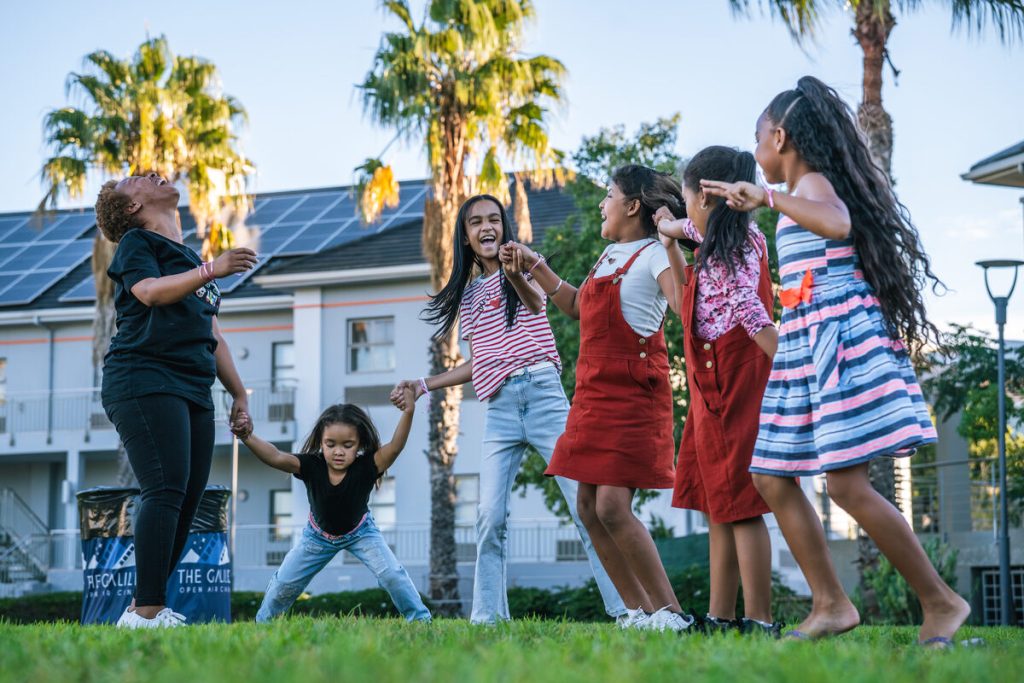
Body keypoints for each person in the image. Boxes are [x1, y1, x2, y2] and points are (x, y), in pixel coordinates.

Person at [702, 76, 967, 647]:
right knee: (770, 473)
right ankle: (830, 602)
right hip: (804, 344)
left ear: (780, 135)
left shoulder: (812, 185)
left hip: (837, 344)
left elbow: (838, 224)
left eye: (757, 138)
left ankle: (941, 603)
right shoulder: (798, 193)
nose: (754, 153)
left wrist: (768, 197)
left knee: (846, 487)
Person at [392, 194, 625, 625]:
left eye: (494, 220)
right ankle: (487, 619)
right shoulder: (469, 295)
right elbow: (479, 361)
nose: (487, 227)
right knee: (489, 516)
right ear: (465, 236)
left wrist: (517, 273)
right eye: (476, 221)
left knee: (583, 507)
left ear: (504, 227)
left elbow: (537, 305)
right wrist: (425, 384)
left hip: (542, 396)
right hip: (498, 407)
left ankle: (626, 610)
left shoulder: (526, 265)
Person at [505, 165, 698, 632]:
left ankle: (672, 615)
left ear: (633, 205)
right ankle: (638, 612)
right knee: (588, 508)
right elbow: (575, 307)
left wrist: (672, 245)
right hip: (592, 398)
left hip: (633, 399)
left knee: (612, 506)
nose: (600, 204)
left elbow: (681, 302)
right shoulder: (608, 255)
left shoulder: (654, 254)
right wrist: (533, 265)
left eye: (608, 195)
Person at [96, 173, 256, 629]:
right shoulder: (136, 243)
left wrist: (240, 394)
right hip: (143, 376)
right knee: (164, 489)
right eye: (137, 178)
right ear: (131, 207)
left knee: (186, 497)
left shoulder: (190, 260)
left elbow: (212, 333)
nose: (151, 172)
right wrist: (211, 270)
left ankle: (141, 610)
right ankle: (148, 609)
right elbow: (146, 292)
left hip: (193, 386)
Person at [655, 146, 780, 636]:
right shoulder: (711, 235)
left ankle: (760, 619)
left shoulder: (741, 246)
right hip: (710, 383)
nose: (685, 210)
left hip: (739, 378)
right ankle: (721, 616)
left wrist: (789, 364)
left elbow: (751, 313)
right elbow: (682, 230)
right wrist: (667, 230)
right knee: (718, 503)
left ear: (705, 195)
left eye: (687, 198)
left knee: (744, 504)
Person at [232, 396, 431, 623]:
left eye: (348, 446)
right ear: (321, 442)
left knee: (392, 575)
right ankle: (264, 623)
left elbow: (395, 448)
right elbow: (276, 456)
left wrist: (408, 412)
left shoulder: (367, 466)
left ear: (359, 444)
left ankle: (420, 620)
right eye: (330, 444)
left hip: (361, 533)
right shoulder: (311, 465)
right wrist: (247, 437)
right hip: (316, 537)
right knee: (284, 583)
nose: (338, 452)